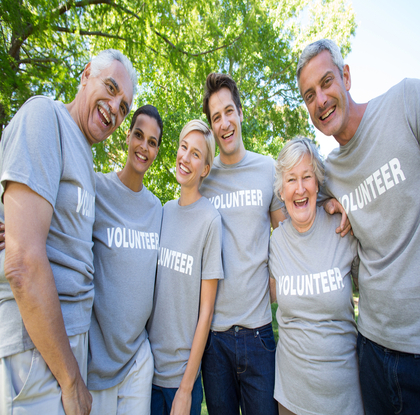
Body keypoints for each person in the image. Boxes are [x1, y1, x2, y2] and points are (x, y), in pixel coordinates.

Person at [0, 49, 136, 415]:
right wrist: (71, 380)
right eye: (110, 88)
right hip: (37, 350)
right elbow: (23, 263)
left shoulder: (85, 157)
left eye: (123, 107)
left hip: (69, 347)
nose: (114, 108)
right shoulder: (44, 117)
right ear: (86, 73)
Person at [297, 38, 420, 414]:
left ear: (346, 77)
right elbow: (296, 201)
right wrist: (331, 202)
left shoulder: (405, 102)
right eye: (309, 95)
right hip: (371, 348)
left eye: (327, 82)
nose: (321, 100)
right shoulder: (329, 172)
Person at [199, 73, 285, 415]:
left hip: (259, 335)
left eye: (228, 111)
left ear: (240, 113)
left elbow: (288, 237)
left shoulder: (268, 169)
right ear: (211, 126)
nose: (224, 123)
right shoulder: (205, 178)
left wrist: (276, 284)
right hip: (215, 340)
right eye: (216, 117)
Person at [269, 137, 363, 415]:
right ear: (281, 189)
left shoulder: (342, 227)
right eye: (291, 179)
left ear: (317, 182)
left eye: (307, 177)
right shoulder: (277, 242)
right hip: (291, 399)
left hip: (345, 397)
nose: (300, 188)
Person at [87, 105, 163, 414]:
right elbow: (59, 219)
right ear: (127, 136)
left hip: (138, 359)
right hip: (96, 361)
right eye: (139, 136)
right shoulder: (97, 189)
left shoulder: (157, 209)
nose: (144, 147)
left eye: (153, 142)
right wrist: (19, 225)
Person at [147, 120, 223, 415]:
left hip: (179, 380)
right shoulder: (163, 211)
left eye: (196, 154)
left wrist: (186, 388)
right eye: (183, 147)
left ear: (205, 168)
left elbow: (206, 312)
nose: (185, 157)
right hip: (144, 371)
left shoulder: (210, 221)